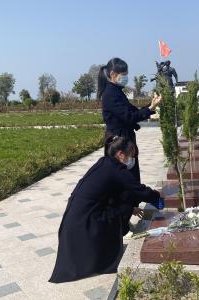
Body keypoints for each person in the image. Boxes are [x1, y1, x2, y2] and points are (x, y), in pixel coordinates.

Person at [49, 136, 162, 283]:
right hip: (86, 222)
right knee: (126, 201)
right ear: (121, 154)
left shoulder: (105, 162)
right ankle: (107, 254)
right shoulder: (117, 170)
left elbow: (112, 195)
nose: (132, 160)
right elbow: (138, 190)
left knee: (125, 201)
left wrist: (130, 207)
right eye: (131, 156)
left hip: (75, 218)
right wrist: (158, 198)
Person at [97, 57, 162, 183]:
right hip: (117, 142)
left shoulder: (117, 92)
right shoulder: (110, 94)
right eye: (124, 74)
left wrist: (151, 105)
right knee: (123, 178)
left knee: (130, 175)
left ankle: (131, 201)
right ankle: (125, 202)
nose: (126, 77)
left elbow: (133, 111)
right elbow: (129, 117)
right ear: (112, 74)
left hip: (125, 139)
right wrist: (150, 109)